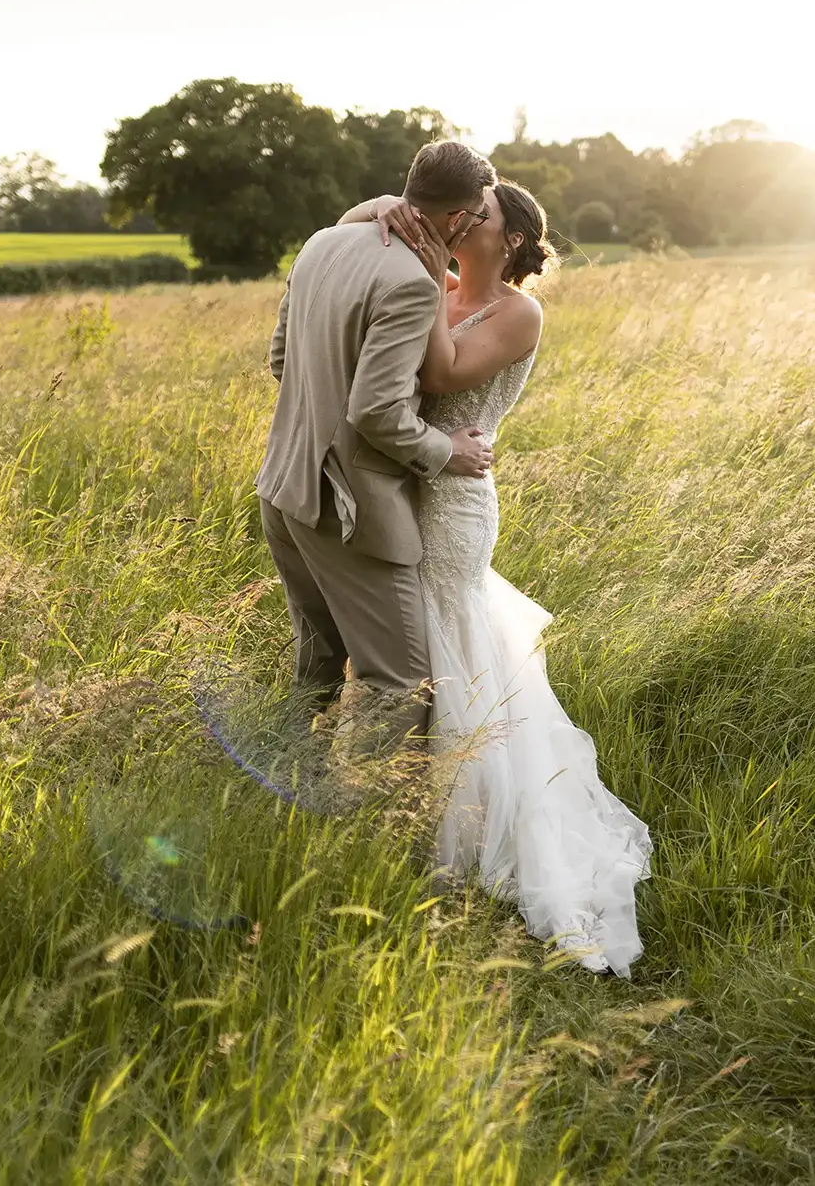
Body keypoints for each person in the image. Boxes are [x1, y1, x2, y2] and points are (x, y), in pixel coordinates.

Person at [337, 177, 654, 976]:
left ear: (510, 240)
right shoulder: (433, 282)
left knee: (446, 644)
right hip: (405, 487)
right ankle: (386, 802)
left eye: (477, 216)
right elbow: (349, 227)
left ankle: (450, 832)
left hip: (455, 500)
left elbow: (438, 382)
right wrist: (390, 211)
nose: (460, 222)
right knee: (400, 641)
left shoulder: (517, 311)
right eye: (457, 211)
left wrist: (416, 271)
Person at [255, 141, 498, 750]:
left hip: (282, 488)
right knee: (400, 682)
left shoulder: (321, 244)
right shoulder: (414, 284)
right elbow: (376, 411)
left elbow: (281, 359)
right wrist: (448, 451)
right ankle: (377, 837)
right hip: (349, 508)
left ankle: (296, 782)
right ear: (453, 219)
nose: (469, 229)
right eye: (471, 218)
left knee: (318, 664)